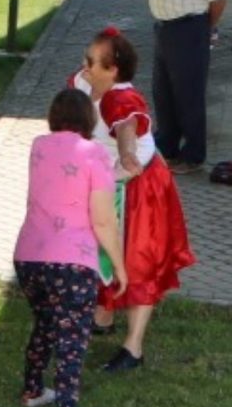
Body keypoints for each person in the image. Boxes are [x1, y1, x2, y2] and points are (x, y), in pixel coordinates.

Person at [70, 28, 194, 372]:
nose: (84, 65)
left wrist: (126, 155)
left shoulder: (120, 98)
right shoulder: (84, 83)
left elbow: (127, 127)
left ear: (113, 71)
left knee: (138, 260)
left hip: (139, 185)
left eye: (91, 61)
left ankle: (133, 348)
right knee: (102, 249)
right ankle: (104, 315)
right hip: (107, 182)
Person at [13, 89, 126, 407]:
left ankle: (32, 390)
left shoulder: (38, 146)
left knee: (45, 323)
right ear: (89, 121)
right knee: (72, 342)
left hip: (29, 256)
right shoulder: (95, 154)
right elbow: (104, 220)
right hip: (73, 262)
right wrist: (120, 266)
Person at [145, 0, 223, 170]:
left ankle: (193, 155)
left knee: (188, 95)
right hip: (164, 29)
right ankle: (167, 147)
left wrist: (204, 29)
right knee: (163, 92)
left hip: (188, 30)